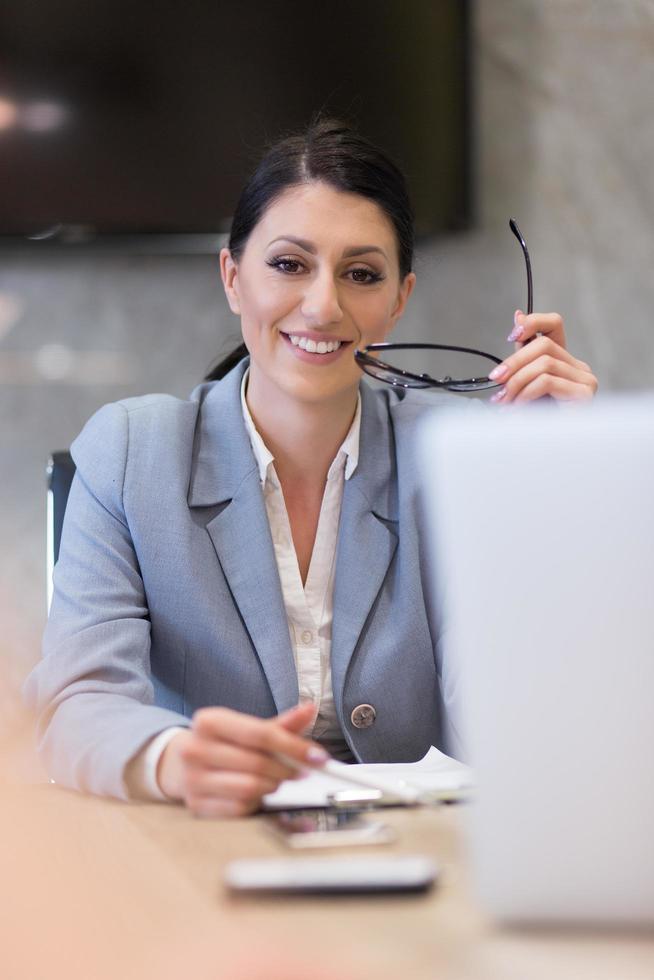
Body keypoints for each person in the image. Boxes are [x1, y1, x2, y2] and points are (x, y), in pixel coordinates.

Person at [24, 117, 598, 817]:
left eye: (361, 274)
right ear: (234, 278)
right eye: (289, 265)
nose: (323, 306)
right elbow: (74, 705)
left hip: (422, 861)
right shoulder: (129, 453)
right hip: (199, 854)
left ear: (398, 301)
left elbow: (515, 725)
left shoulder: (459, 458)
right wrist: (171, 759)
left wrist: (556, 489)